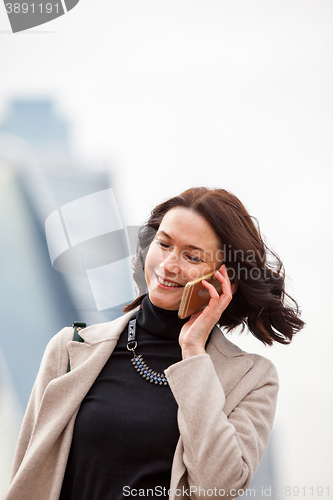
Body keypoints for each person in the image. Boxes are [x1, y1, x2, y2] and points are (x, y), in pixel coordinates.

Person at [3, 187, 304, 500]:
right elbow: (26, 475)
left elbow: (220, 487)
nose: (169, 264)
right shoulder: (70, 348)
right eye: (164, 244)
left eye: (192, 255)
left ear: (223, 280)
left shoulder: (253, 379)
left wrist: (192, 352)